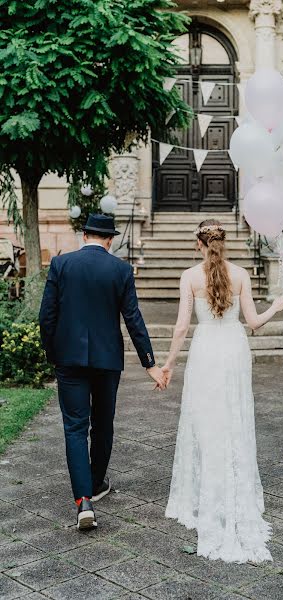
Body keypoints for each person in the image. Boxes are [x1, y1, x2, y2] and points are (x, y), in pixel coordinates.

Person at [162, 219, 283, 563]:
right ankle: (232, 484)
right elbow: (254, 323)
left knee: (204, 419)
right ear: (223, 242)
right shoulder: (242, 275)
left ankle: (204, 493)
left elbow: (182, 326)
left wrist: (169, 364)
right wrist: (275, 308)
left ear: (198, 244)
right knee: (233, 416)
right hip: (234, 350)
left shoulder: (189, 276)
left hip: (205, 350)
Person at [39, 214, 166, 530]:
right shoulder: (121, 269)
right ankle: (95, 484)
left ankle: (83, 501)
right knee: (103, 423)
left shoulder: (61, 264)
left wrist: (54, 354)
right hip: (108, 361)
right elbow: (133, 319)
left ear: (84, 235)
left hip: (68, 360)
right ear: (110, 240)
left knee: (74, 428)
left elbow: (46, 317)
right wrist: (149, 363)